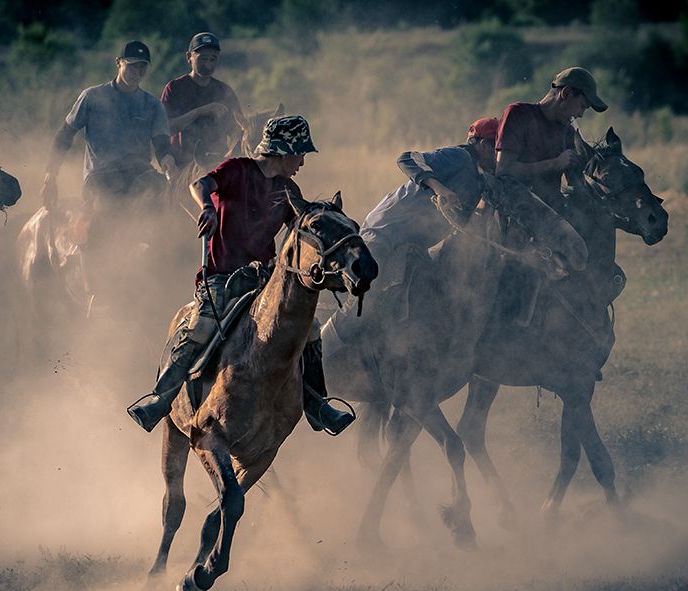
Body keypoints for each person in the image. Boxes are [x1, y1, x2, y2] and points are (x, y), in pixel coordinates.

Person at [127, 115, 354, 435]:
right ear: (283, 151)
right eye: (300, 152)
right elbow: (200, 184)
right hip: (222, 278)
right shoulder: (237, 170)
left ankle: (316, 404)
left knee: (311, 329)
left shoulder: (289, 189)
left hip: (264, 280)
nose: (302, 161)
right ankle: (160, 399)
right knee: (199, 328)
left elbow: (299, 235)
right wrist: (207, 206)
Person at [41, 40, 176, 298]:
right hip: (101, 178)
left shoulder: (152, 105)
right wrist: (50, 175)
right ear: (119, 63)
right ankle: (96, 292)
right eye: (132, 66)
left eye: (142, 68)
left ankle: (164, 280)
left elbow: (161, 145)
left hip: (140, 176)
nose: (137, 72)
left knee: (166, 214)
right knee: (99, 225)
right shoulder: (92, 97)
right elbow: (64, 136)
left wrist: (168, 162)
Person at [360, 116, 500, 290]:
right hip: (384, 232)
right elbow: (407, 159)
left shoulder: (480, 180)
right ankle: (335, 319)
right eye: (497, 149)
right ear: (484, 145)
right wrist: (439, 188)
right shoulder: (460, 156)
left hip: (411, 248)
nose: (499, 156)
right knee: (366, 296)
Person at [496, 66, 607, 210]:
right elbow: (504, 170)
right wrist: (555, 163)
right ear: (566, 93)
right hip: (516, 211)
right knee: (567, 234)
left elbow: (576, 185)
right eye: (582, 106)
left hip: (553, 211)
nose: (581, 114)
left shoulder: (568, 132)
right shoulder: (518, 114)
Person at [161, 32, 243, 171]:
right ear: (189, 57)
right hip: (181, 167)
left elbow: (238, 130)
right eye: (203, 58)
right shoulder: (174, 88)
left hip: (218, 165)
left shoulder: (224, 91)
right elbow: (165, 129)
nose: (208, 65)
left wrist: (230, 154)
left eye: (213, 59)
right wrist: (201, 111)